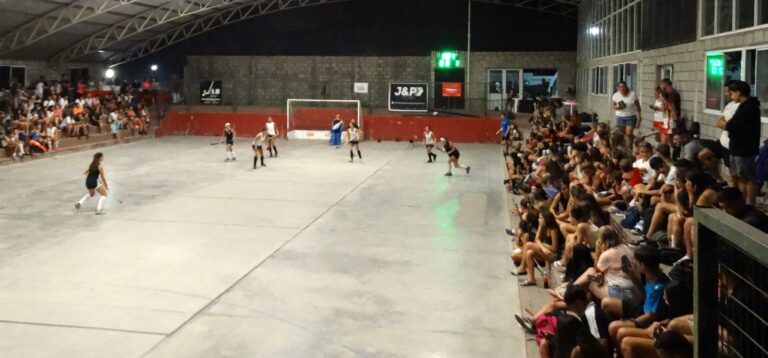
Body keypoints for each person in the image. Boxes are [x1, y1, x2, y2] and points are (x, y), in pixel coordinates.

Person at [724, 80, 761, 205]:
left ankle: (749, 204)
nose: (731, 95)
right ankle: (742, 201)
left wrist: (728, 125)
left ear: (739, 92)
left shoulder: (750, 107)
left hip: (745, 149)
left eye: (732, 93)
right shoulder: (742, 106)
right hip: (736, 147)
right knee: (739, 177)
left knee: (748, 177)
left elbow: (734, 125)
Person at [612, 81, 643, 145]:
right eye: (620, 87)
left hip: (631, 116)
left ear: (626, 87)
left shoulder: (632, 94)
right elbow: (613, 105)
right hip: (620, 117)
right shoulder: (616, 95)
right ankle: (631, 143)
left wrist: (639, 115)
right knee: (622, 134)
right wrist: (617, 107)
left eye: (623, 86)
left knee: (628, 134)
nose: (621, 88)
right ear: (618, 88)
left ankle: (631, 146)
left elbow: (638, 105)